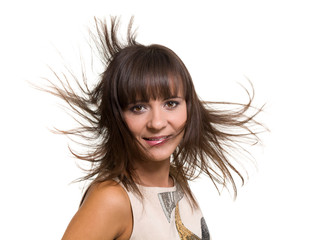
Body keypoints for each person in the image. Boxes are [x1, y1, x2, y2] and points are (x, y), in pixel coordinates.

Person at [47, 17, 263, 240]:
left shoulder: (176, 184)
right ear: (117, 116)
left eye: (171, 104)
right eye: (138, 107)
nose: (157, 123)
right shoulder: (112, 199)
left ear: (189, 108)